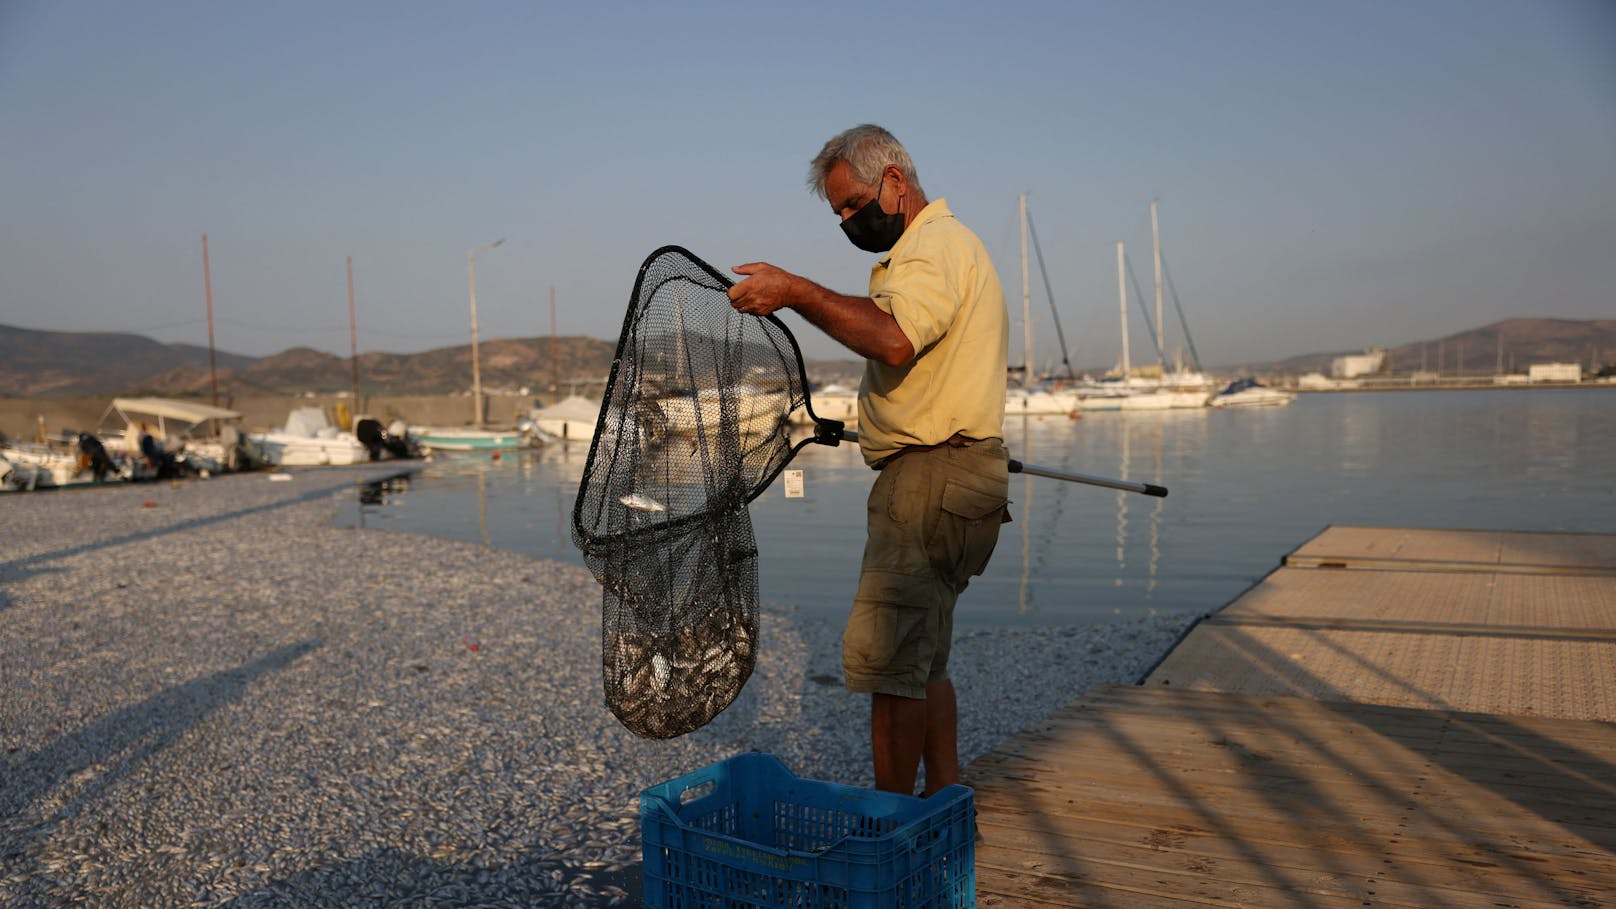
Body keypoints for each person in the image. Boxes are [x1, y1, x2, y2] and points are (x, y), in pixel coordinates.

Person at [727, 124, 1011, 797]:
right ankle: (944, 808)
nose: (849, 221)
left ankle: (891, 829)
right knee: (923, 660)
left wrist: (797, 291)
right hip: (963, 478)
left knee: (887, 663)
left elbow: (893, 338)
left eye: (854, 204)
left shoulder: (932, 248)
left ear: (894, 180)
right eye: (839, 215)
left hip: (930, 482)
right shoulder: (947, 247)